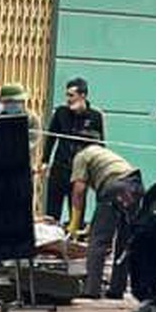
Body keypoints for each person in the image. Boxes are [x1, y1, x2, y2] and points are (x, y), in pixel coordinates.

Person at [68, 133, 143, 300]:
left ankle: (91, 289)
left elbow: (79, 191)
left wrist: (74, 223)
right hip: (135, 185)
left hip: (115, 188)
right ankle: (117, 289)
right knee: (125, 241)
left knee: (98, 240)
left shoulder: (82, 155)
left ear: (76, 146)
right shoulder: (103, 153)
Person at [41, 77, 105, 224]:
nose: (68, 99)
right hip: (59, 168)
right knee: (51, 214)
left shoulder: (95, 116)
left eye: (71, 95)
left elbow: (100, 146)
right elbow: (51, 138)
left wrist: (97, 173)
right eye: (67, 95)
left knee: (76, 216)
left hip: (80, 173)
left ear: (83, 96)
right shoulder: (61, 112)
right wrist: (45, 161)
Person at [0, 82, 41, 155]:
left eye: (19, 101)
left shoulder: (31, 118)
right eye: (9, 102)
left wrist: (19, 147)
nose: (14, 104)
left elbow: (34, 138)